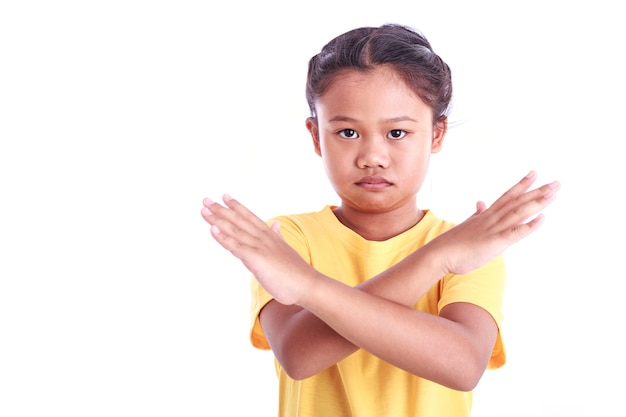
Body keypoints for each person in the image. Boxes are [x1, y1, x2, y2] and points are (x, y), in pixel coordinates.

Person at [201, 23, 560, 417]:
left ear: (436, 134)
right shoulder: (289, 237)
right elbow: (299, 355)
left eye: (397, 132)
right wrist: (437, 260)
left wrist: (307, 287)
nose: (373, 156)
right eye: (348, 131)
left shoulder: (470, 247)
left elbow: (462, 365)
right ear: (317, 136)